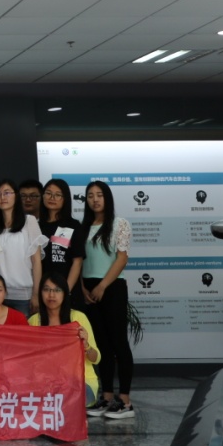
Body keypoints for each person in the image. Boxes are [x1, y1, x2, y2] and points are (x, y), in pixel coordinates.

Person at [80, 180, 134, 420]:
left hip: (112, 287)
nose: (95, 199)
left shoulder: (119, 224)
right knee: (101, 344)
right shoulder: (83, 226)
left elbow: (122, 258)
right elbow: (78, 260)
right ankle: (107, 396)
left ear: (107, 198)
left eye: (99, 195)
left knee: (119, 343)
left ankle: (125, 401)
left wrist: (103, 285)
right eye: (90, 195)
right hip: (88, 289)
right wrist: (82, 288)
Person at [29, 271, 99, 406]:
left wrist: (86, 346)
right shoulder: (34, 321)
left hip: (80, 382)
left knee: (63, 398)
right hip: (45, 383)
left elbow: (96, 358)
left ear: (65, 294)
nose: (51, 295)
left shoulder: (78, 318)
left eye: (57, 290)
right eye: (46, 290)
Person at [0, 178, 47, 315]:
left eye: (7, 193)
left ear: (16, 196)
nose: (2, 197)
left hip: (24, 295)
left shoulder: (29, 221)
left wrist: (36, 294)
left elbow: (36, 261)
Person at [40, 178, 84, 297]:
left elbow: (77, 262)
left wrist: (64, 291)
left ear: (65, 199)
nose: (52, 198)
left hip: (68, 291)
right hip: (43, 291)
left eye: (58, 195)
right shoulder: (36, 226)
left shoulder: (73, 225)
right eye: (48, 193)